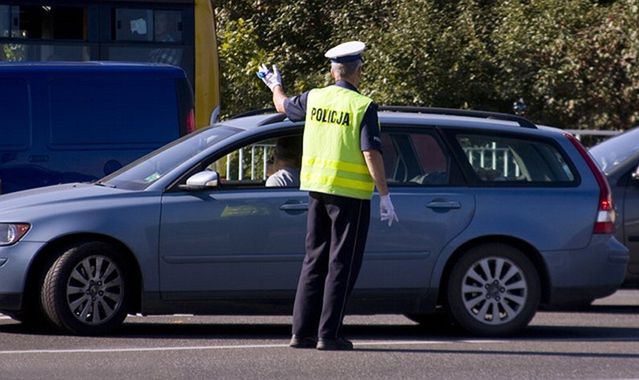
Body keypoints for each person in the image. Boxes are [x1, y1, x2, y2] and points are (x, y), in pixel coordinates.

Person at [257, 41, 399, 351]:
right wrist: (385, 194)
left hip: (317, 190)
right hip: (350, 195)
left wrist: (275, 84)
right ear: (358, 71)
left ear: (332, 71)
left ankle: (301, 333)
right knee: (341, 264)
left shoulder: (315, 98)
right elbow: (370, 152)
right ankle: (329, 334)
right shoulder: (363, 105)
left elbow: (282, 105)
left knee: (314, 260)